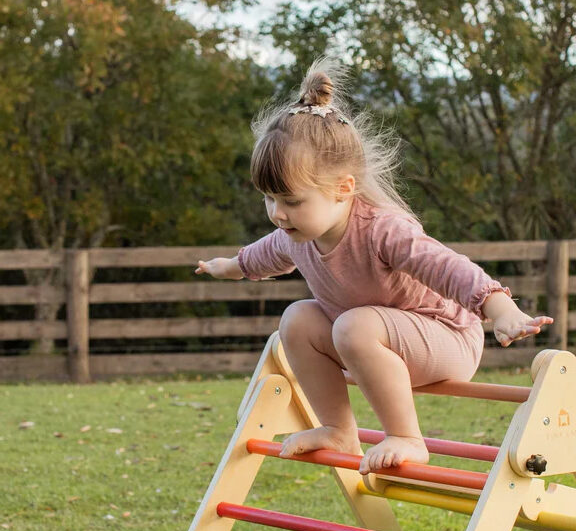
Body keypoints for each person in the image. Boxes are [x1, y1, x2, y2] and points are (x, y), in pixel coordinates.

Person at [197, 59, 552, 474]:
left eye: (292, 201)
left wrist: (500, 310)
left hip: (447, 338)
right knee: (296, 319)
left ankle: (407, 437)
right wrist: (228, 266)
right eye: (269, 198)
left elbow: (448, 268)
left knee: (353, 324)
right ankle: (337, 428)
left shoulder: (383, 230)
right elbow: (257, 258)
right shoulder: (295, 236)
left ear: (344, 189)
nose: (278, 213)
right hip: (377, 340)